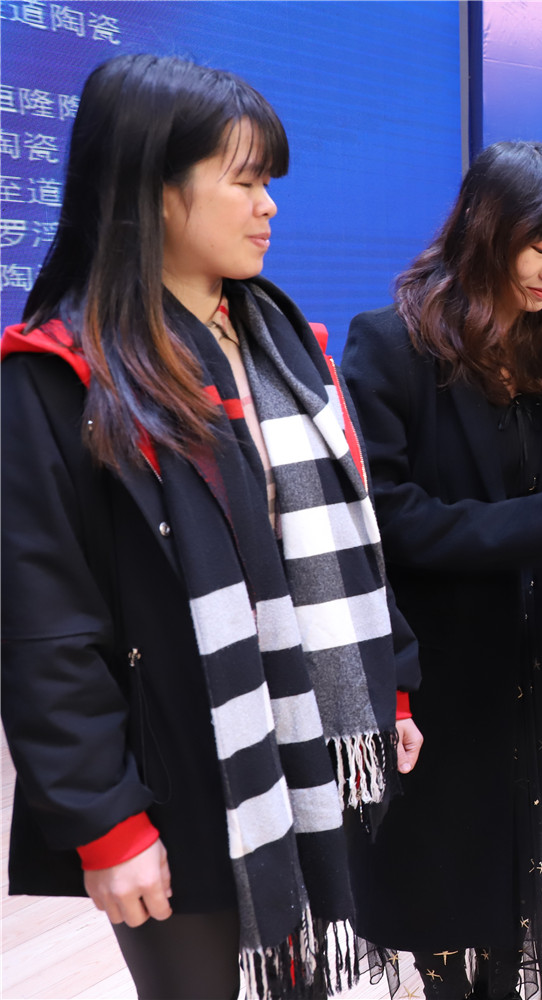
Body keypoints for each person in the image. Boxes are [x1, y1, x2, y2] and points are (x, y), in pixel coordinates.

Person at [1, 54, 422, 1000]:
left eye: (269, 181)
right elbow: (45, 628)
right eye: (244, 181)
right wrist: (105, 821)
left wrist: (388, 687)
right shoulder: (57, 376)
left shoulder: (287, 347)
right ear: (151, 187)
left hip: (312, 739)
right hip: (178, 776)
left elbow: (357, 539)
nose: (269, 206)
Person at [341, 141, 542, 998]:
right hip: (443, 668)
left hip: (540, 662)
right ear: (484, 227)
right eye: (540, 247)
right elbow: (382, 514)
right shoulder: (391, 345)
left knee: (526, 880)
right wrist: (536, 515)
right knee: (447, 894)